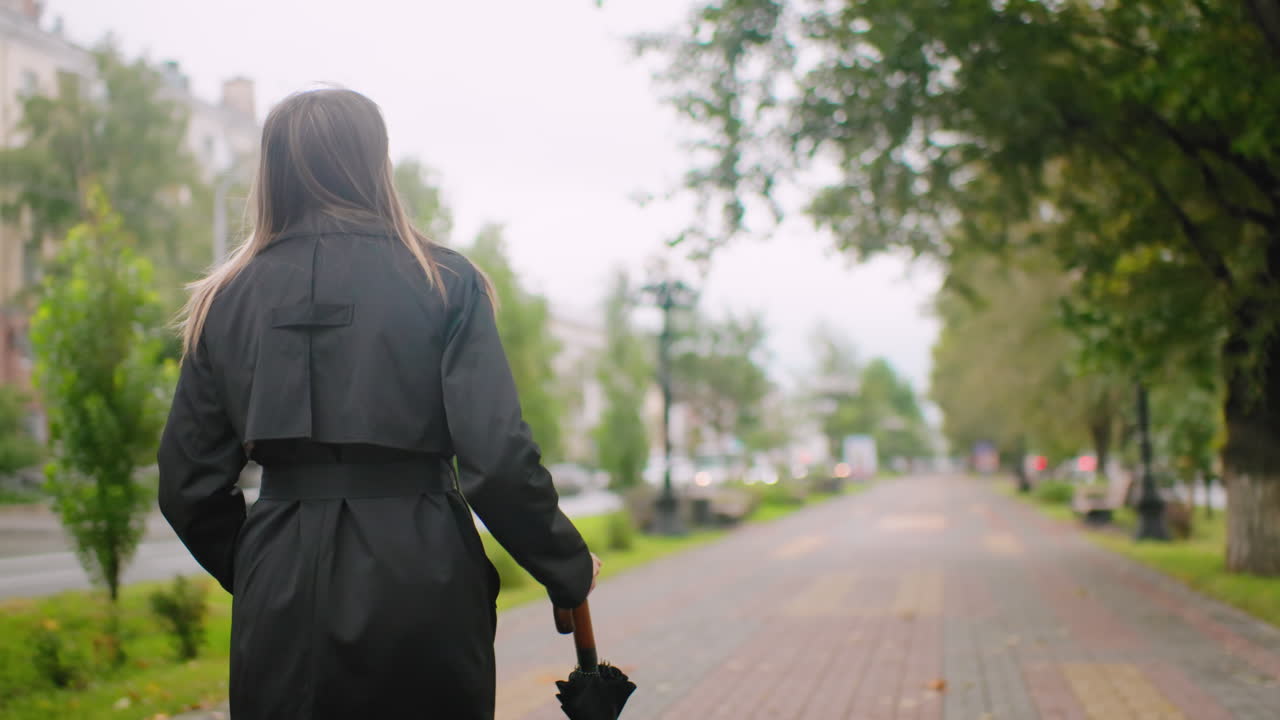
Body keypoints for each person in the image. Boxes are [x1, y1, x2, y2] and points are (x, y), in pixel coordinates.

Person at [157, 87, 601, 720]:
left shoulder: (222, 300)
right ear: (376, 163)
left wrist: (260, 569)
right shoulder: (444, 281)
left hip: (279, 582)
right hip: (424, 573)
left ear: (271, 170)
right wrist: (566, 565)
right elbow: (498, 459)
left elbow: (187, 485)